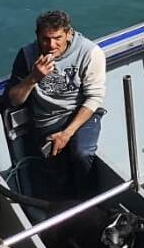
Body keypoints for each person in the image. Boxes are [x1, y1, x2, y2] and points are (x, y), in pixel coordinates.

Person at [8, 10, 106, 198]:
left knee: (82, 154)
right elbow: (13, 100)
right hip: (47, 119)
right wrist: (33, 78)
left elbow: (94, 98)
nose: (51, 45)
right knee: (56, 178)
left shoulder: (89, 52)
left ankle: (92, 202)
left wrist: (67, 134)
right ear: (37, 36)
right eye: (45, 39)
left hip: (81, 114)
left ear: (69, 33)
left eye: (57, 38)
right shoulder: (27, 55)